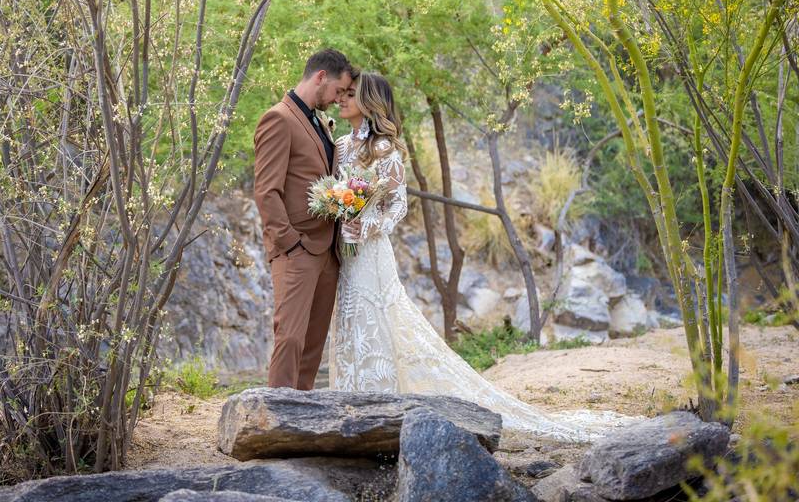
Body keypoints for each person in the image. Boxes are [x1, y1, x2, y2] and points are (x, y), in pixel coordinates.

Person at [331, 71, 632, 441]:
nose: (341, 99)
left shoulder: (387, 152)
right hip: (347, 253)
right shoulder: (341, 146)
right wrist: (340, 214)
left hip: (372, 251)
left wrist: (370, 225)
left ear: (370, 102)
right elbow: (334, 190)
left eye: (350, 94)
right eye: (341, 93)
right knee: (349, 319)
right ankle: (350, 399)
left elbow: (398, 206)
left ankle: (380, 404)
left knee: (374, 317)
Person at [253, 48, 354, 390]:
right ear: (320, 77)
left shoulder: (317, 121)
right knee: (291, 340)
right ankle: (275, 423)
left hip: (326, 251)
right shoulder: (278, 118)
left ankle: (301, 422)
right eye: (339, 90)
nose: (340, 99)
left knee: (312, 348)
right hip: (297, 249)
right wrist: (290, 244)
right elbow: (267, 192)